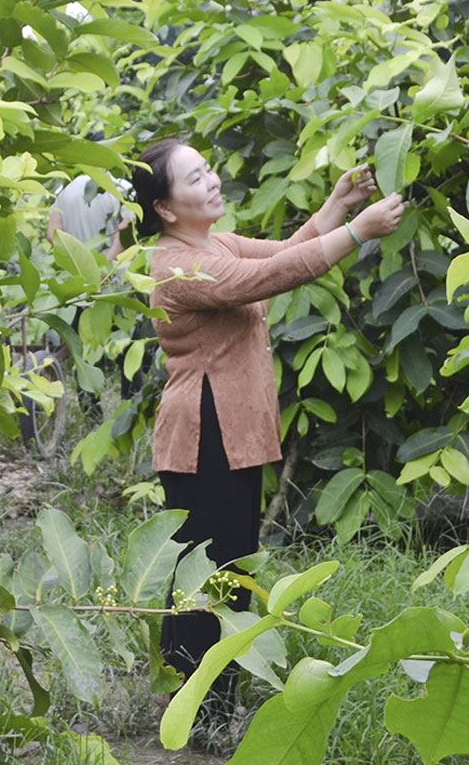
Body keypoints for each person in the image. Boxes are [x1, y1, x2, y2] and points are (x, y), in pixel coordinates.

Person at [133, 138, 404, 742]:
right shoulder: (176, 265)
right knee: (215, 576)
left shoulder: (213, 244)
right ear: (165, 208)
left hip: (227, 432)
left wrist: (337, 206)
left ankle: (195, 706)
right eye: (194, 177)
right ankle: (204, 719)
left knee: (219, 568)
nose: (211, 180)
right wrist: (357, 231)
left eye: (208, 169)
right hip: (206, 436)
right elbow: (270, 277)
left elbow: (285, 253)